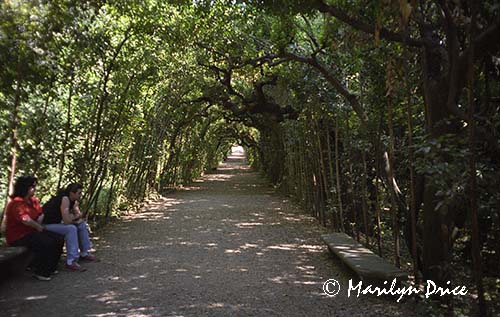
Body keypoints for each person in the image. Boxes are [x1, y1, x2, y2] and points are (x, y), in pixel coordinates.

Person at [5, 176, 63, 281]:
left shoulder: (33, 201)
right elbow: (25, 219)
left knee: (58, 238)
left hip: (32, 232)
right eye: (32, 186)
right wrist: (38, 226)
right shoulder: (16, 202)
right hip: (19, 236)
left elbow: (40, 214)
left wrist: (39, 222)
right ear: (25, 187)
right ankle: (41, 271)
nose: (34, 189)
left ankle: (51, 267)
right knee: (46, 242)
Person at [43, 183, 97, 272]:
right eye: (79, 193)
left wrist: (73, 217)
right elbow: (67, 221)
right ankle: (71, 261)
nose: (80, 195)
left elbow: (79, 214)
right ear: (72, 193)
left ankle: (84, 253)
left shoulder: (73, 201)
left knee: (81, 224)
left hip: (57, 223)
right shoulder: (65, 199)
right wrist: (74, 217)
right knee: (71, 229)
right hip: (46, 225)